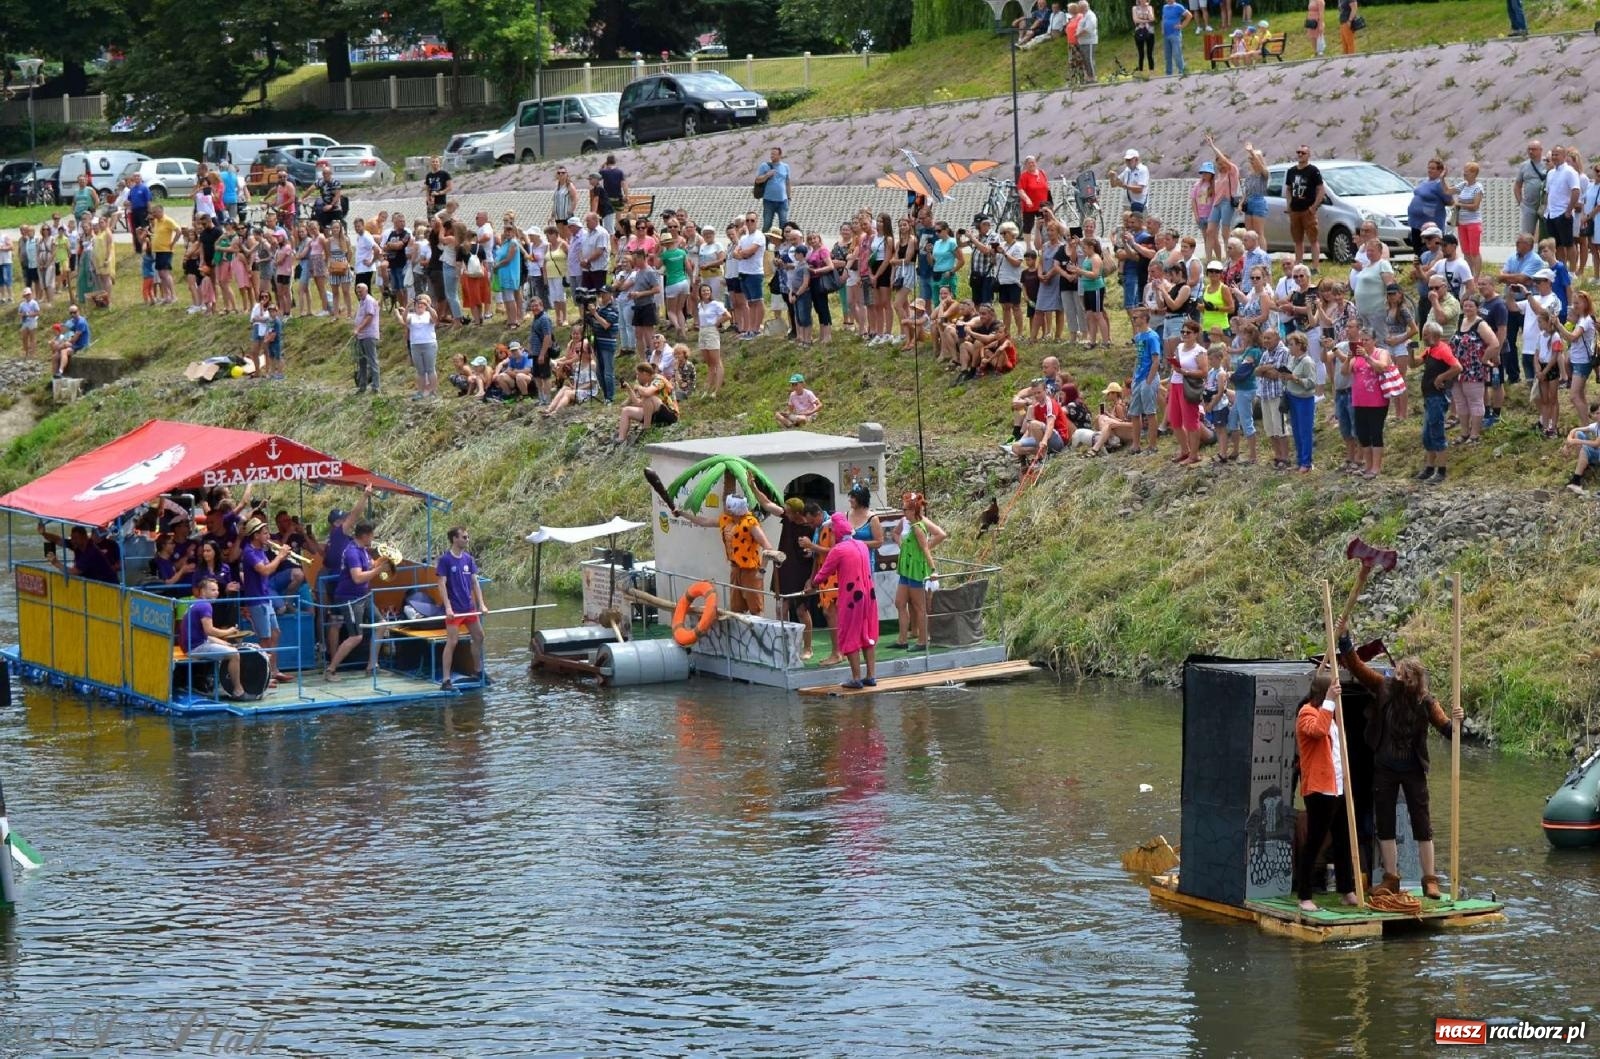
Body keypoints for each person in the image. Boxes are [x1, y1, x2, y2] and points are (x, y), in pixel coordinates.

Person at [1338, 622, 1463, 900]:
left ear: (1414, 680)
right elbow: (1358, 669)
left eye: (1404, 675)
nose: (1399, 678)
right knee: (1385, 823)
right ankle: (1391, 878)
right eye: (1399, 674)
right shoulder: (1384, 688)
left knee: (1422, 824)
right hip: (1385, 766)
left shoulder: (1426, 702)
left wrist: (1456, 723)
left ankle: (1430, 879)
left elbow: (1448, 731)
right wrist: (1345, 642)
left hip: (1413, 769)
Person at [1292, 668, 1358, 912]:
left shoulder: (1332, 715)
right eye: (1332, 694)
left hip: (1337, 786)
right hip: (1319, 789)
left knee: (1342, 839)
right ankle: (1304, 896)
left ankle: (1346, 889)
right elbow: (1317, 731)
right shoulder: (1307, 713)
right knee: (1315, 841)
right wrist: (1330, 699)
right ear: (1323, 693)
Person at [677, 492, 782, 617]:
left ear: (733, 508)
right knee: (736, 607)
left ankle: (757, 634)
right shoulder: (726, 520)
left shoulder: (750, 523)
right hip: (735, 568)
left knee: (755, 608)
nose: (725, 507)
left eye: (727, 505)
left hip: (751, 571)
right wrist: (682, 514)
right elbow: (703, 521)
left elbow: (768, 547)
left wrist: (762, 570)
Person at [811, 511, 880, 689]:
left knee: (850, 633)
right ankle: (871, 676)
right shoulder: (862, 545)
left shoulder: (838, 550)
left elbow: (822, 575)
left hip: (852, 597)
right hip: (869, 595)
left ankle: (856, 678)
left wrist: (812, 583)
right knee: (867, 634)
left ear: (836, 532)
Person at [325, 521, 392, 681]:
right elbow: (357, 577)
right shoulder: (352, 552)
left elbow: (370, 565)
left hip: (363, 596)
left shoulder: (363, 550)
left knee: (381, 624)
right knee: (356, 637)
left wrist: (385, 561)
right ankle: (330, 670)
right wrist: (378, 570)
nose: (373, 539)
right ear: (365, 536)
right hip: (350, 598)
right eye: (372, 536)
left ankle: (372, 666)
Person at [179, 577, 253, 701]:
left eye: (217, 590)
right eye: (212, 590)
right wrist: (229, 631)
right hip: (195, 647)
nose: (216, 593)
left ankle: (221, 683)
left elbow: (206, 636)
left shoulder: (196, 603)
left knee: (230, 647)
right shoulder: (204, 606)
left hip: (194, 643)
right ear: (203, 591)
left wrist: (226, 643)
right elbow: (210, 630)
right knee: (234, 654)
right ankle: (238, 691)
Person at [239, 517, 292, 686]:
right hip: (257, 600)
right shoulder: (249, 552)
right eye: (264, 533)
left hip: (265, 598)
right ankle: (264, 675)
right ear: (255, 535)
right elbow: (265, 571)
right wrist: (281, 556)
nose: (268, 535)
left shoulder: (261, 549)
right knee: (265, 638)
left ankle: (274, 670)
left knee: (275, 633)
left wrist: (280, 557)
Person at [891, 492, 946, 652]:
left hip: (916, 570)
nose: (903, 513)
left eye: (905, 510)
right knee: (900, 602)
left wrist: (933, 569)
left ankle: (923, 641)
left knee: (919, 606)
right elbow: (897, 534)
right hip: (905, 569)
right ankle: (902, 639)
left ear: (912, 511)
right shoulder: (906, 524)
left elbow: (925, 549)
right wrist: (903, 547)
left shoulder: (918, 528)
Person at [436, 526, 489, 690]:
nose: (467, 539)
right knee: (452, 641)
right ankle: (446, 680)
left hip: (469, 607)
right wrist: (448, 608)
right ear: (454, 539)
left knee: (479, 636)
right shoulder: (445, 560)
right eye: (464, 537)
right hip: (455, 609)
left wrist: (481, 603)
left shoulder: (468, 559)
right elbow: (441, 585)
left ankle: (478, 671)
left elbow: (475, 583)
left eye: (467, 537)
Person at [1417, 321, 1462, 481]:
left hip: (1437, 397)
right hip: (1429, 397)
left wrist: (1441, 377)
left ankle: (1441, 471)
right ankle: (1430, 468)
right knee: (1427, 435)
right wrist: (1409, 351)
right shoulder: (1430, 350)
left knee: (1436, 433)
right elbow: (1414, 363)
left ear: (1434, 335)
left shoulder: (1442, 349)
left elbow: (1457, 367)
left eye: (1425, 334)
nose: (1423, 336)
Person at [616, 361, 678, 443]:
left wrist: (638, 387)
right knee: (626, 411)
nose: (637, 377)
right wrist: (629, 389)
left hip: (670, 414)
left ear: (644, 373)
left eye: (638, 374)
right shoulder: (647, 385)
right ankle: (620, 439)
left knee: (647, 397)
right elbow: (638, 403)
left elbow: (647, 393)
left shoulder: (659, 379)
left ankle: (646, 429)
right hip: (656, 414)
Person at [1286, 146, 1325, 271]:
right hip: (1295, 210)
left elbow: (1320, 189)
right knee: (1297, 239)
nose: (1300, 155)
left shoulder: (1313, 171)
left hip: (1308, 210)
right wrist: (1289, 204)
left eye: (1303, 153)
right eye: (1298, 152)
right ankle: (1298, 265)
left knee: (1313, 238)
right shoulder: (1291, 171)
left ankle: (1315, 266)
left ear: (1308, 155)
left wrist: (1314, 207)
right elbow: (1288, 189)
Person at [399, 294, 441, 399]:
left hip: (429, 343)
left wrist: (428, 306)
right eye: (418, 303)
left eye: (422, 304)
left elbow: (435, 318)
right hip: (415, 345)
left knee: (430, 368)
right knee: (420, 370)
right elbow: (404, 320)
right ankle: (421, 392)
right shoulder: (411, 316)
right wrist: (408, 307)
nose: (420, 305)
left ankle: (432, 391)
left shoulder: (428, 314)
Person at [1561, 400, 1600, 495]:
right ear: (1592, 415)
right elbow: (1575, 430)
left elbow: (1596, 444)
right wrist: (1568, 443)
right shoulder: (1596, 425)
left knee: (1585, 448)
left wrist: (1575, 441)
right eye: (1598, 413)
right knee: (1578, 434)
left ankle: (1576, 481)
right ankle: (1582, 463)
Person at [353, 282, 381, 394]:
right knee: (362, 362)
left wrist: (358, 328)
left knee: (372, 360)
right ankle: (362, 386)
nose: (359, 293)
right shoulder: (361, 302)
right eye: (357, 291)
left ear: (366, 290)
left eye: (361, 291)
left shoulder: (369, 300)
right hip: (361, 335)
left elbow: (369, 317)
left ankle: (376, 387)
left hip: (369, 335)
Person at [755, 147, 791, 233]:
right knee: (767, 224)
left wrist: (789, 197)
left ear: (780, 155)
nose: (772, 156)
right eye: (771, 154)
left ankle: (782, 245)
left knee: (783, 224)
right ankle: (765, 244)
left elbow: (788, 183)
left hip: (783, 201)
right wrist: (767, 175)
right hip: (769, 200)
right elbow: (757, 180)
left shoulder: (785, 167)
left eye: (774, 154)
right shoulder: (765, 165)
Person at [1161, 0, 1192, 75]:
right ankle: (1168, 73)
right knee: (1167, 55)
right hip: (1166, 34)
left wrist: (1181, 26)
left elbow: (1189, 16)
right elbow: (1163, 18)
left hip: (1175, 34)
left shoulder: (1178, 7)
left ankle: (1182, 71)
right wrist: (1162, 29)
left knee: (1177, 53)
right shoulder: (1164, 7)